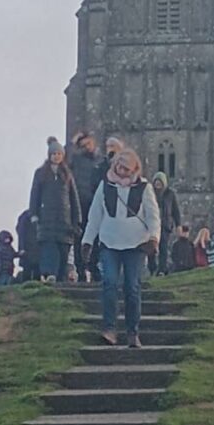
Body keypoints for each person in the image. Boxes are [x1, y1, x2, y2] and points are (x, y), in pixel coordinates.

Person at [82, 146, 160, 346]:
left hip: (136, 245)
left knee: (132, 287)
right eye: (119, 167)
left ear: (134, 169)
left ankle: (133, 332)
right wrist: (87, 241)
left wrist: (154, 238)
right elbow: (95, 216)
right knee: (109, 283)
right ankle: (109, 329)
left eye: (126, 169)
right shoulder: (105, 185)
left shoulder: (144, 187)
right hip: (109, 243)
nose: (121, 171)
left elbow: (153, 216)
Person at [29, 137, 82, 283]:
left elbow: (74, 198)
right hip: (47, 218)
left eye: (59, 154)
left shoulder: (67, 174)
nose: (56, 156)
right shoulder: (40, 173)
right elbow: (35, 194)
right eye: (54, 154)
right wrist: (34, 213)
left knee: (63, 250)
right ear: (49, 155)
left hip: (64, 220)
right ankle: (49, 274)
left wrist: (77, 219)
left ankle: (59, 276)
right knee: (48, 248)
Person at [69, 131, 104, 281]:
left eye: (89, 143)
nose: (87, 147)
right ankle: (81, 269)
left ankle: (93, 266)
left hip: (95, 203)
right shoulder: (75, 159)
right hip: (79, 203)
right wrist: (73, 143)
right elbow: (64, 158)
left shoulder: (100, 161)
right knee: (79, 237)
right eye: (84, 145)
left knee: (96, 237)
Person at [151, 171, 181, 274]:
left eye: (160, 182)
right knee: (151, 248)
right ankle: (152, 268)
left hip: (165, 225)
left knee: (163, 248)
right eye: (156, 182)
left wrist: (178, 225)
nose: (157, 184)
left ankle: (162, 269)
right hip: (152, 225)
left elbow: (175, 210)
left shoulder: (170, 194)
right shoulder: (150, 193)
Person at [16, 208, 40, 282]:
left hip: (29, 249)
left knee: (29, 270)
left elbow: (20, 232)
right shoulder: (26, 216)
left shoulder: (25, 216)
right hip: (32, 248)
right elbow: (21, 232)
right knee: (32, 270)